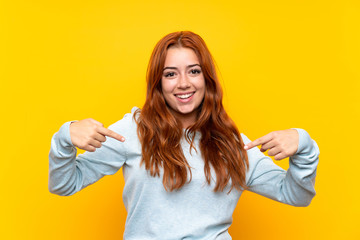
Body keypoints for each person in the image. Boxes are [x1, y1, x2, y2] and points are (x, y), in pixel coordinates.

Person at [48, 31, 320, 240]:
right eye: (170, 74)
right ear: (158, 83)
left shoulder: (232, 143)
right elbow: (64, 184)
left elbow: (295, 194)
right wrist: (65, 138)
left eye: (194, 71)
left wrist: (303, 146)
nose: (183, 83)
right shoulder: (132, 130)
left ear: (207, 79)